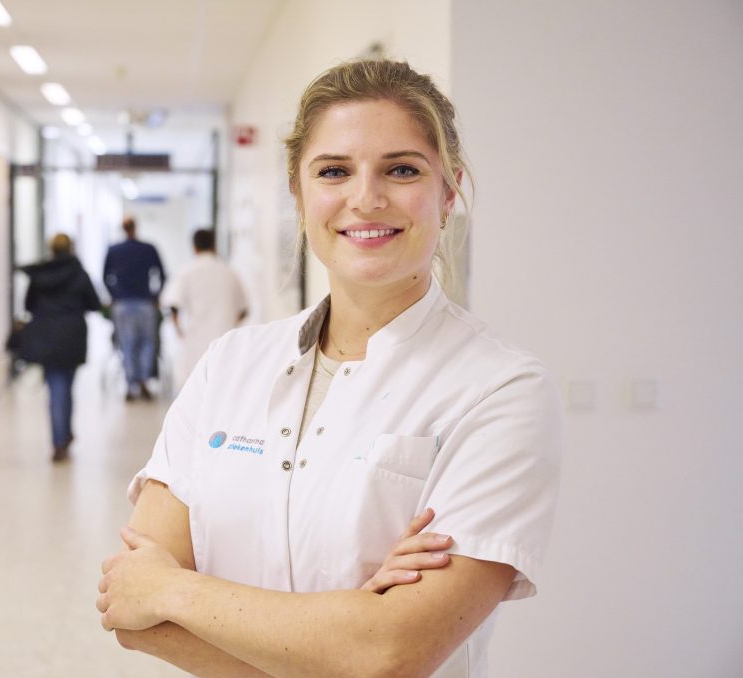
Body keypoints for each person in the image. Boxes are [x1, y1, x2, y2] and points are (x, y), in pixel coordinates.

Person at [96, 59, 563, 677]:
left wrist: (175, 590)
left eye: (401, 169)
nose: (365, 198)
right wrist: (347, 629)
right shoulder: (229, 366)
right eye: (334, 171)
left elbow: (391, 653)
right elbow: (133, 616)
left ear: (448, 191)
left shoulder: (500, 390)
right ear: (299, 192)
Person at [19, 233, 101, 461]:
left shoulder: (40, 274)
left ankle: (61, 439)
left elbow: (28, 304)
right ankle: (61, 438)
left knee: (57, 388)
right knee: (65, 387)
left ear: (51, 249)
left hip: (47, 336)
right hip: (72, 335)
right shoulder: (78, 272)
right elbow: (94, 303)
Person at [161, 228, 248, 392]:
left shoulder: (186, 272)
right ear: (214, 245)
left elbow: (173, 305)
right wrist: (232, 323)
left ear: (194, 247)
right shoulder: (229, 272)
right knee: (222, 388)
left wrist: (178, 329)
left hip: (195, 341)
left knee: (194, 392)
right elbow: (244, 309)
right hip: (225, 340)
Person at [103, 216, 166, 401]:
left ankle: (131, 385)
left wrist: (114, 296)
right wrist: (155, 296)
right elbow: (162, 274)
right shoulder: (148, 249)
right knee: (148, 343)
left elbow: (105, 276)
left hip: (122, 304)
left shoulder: (114, 250)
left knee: (127, 344)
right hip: (146, 303)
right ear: (135, 228)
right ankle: (144, 382)